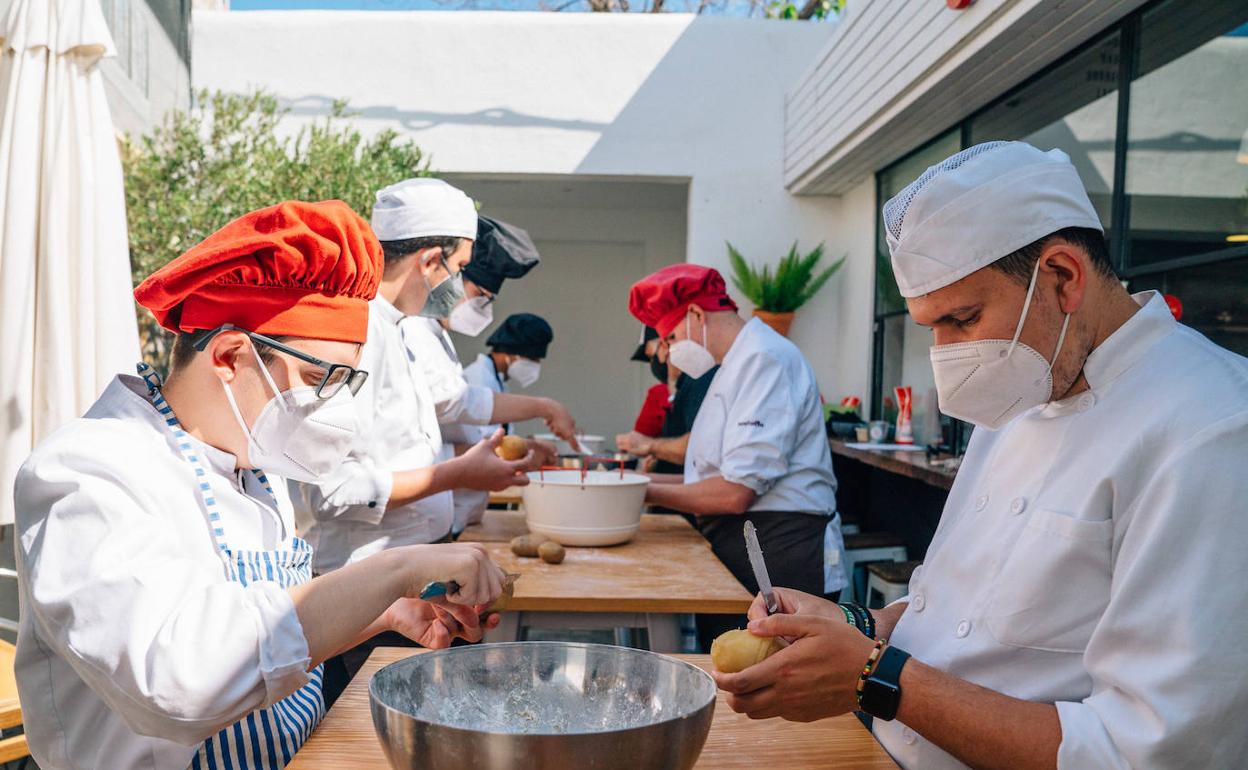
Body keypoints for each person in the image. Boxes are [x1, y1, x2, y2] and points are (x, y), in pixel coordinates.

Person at [711, 142, 1248, 770]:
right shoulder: (1028, 380)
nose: (947, 360)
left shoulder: (1212, 431)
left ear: (1063, 277)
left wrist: (874, 678)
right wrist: (856, 624)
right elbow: (960, 614)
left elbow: (1146, 752)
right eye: (929, 327)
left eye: (962, 319)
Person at [13, 201, 507, 770]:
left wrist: (383, 611)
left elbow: (265, 637)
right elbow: (181, 683)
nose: (336, 405)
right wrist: (393, 568)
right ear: (228, 355)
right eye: (321, 378)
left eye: (346, 380)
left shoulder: (253, 462)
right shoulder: (87, 472)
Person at [628, 264, 848, 648]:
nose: (670, 352)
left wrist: (638, 491)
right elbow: (710, 477)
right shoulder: (731, 366)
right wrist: (630, 483)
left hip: (784, 551)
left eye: (672, 337)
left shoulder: (765, 358)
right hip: (746, 544)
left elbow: (734, 492)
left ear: (696, 315)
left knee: (781, 686)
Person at [393, 200, 577, 532]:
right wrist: (543, 407)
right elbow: (455, 403)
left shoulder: (436, 335)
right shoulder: (412, 330)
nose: (483, 306)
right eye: (480, 293)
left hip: (443, 520)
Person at [454, 313, 555, 529]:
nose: (536, 365)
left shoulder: (495, 380)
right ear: (514, 354)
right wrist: (530, 449)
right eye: (534, 359)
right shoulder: (479, 380)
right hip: (459, 503)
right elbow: (488, 447)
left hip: (472, 502)